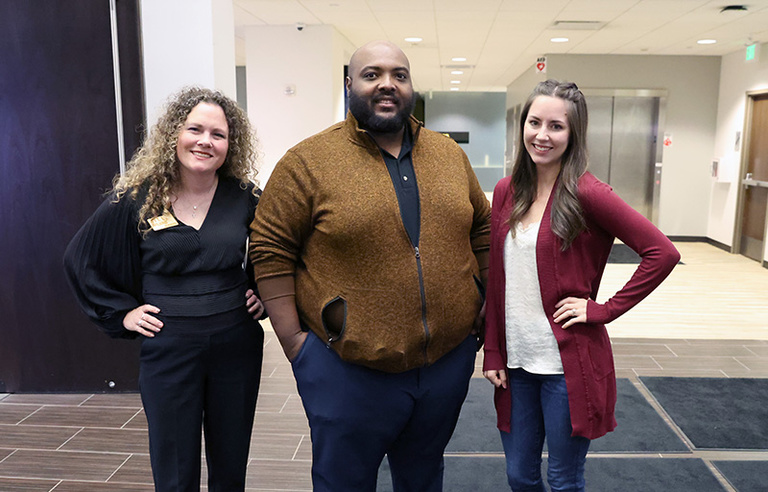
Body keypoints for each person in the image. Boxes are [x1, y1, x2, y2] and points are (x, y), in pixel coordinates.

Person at [249, 40, 491, 491]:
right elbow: (269, 248)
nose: (387, 84)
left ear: (411, 86)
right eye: (372, 74)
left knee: (423, 476)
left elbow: (482, 228)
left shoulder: (447, 155)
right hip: (346, 371)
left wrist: (485, 300)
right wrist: (295, 344)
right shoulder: (308, 162)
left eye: (399, 75)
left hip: (445, 365)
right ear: (349, 85)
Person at [64, 87, 266, 492]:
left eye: (218, 134)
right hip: (169, 346)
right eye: (195, 129)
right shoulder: (138, 197)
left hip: (236, 344)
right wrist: (122, 313)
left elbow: (274, 249)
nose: (205, 142)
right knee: (174, 467)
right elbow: (80, 258)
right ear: (175, 134)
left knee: (231, 463)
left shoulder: (244, 197)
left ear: (231, 144)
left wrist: (262, 291)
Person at [482, 79, 680, 491]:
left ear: (573, 134)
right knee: (519, 475)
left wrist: (602, 309)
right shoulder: (507, 191)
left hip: (565, 367)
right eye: (534, 122)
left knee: (563, 480)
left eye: (556, 126)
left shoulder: (588, 193)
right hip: (516, 365)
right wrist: (494, 351)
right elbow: (497, 279)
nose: (542, 135)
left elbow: (662, 253)